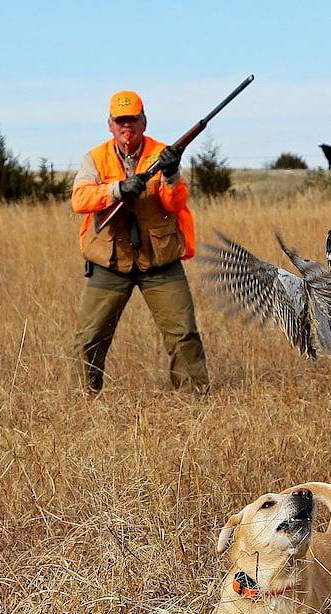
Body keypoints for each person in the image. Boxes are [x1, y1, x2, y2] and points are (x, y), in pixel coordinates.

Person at [71, 89, 210, 395]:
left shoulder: (162, 154)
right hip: (110, 259)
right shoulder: (95, 158)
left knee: (183, 333)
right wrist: (117, 190)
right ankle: (83, 399)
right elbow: (80, 199)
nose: (126, 126)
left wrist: (171, 173)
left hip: (159, 259)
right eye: (120, 120)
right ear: (110, 123)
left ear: (143, 121)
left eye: (132, 119)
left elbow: (175, 203)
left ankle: (195, 399)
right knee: (89, 337)